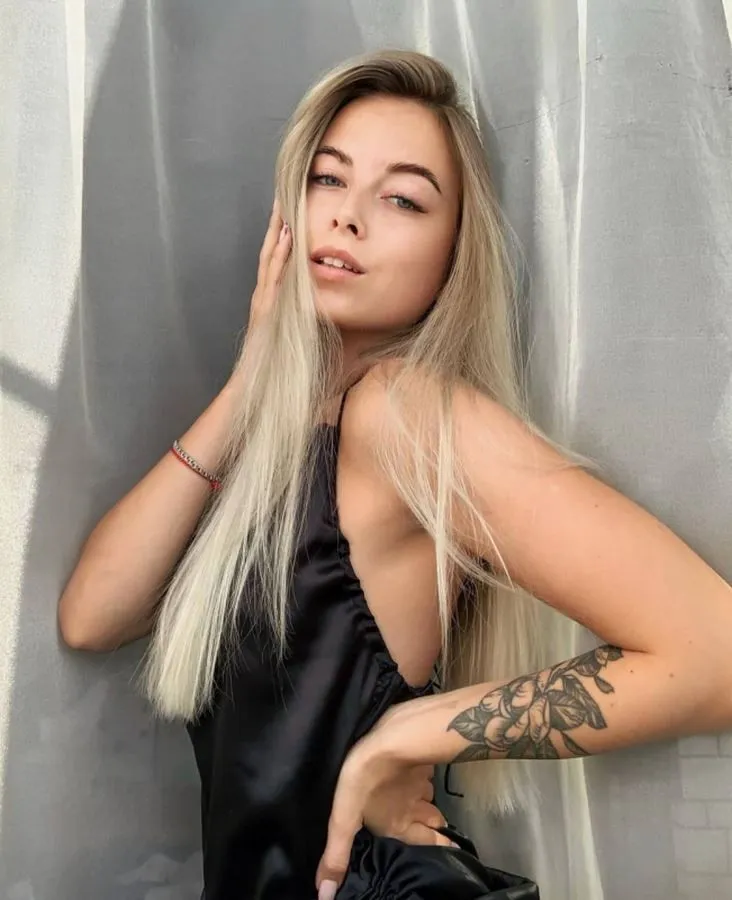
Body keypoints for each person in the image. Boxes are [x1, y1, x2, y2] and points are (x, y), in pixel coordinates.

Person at [58, 49, 732, 900]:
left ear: (454, 254)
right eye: (328, 179)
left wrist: (413, 732)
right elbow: (92, 616)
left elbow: (714, 653)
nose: (347, 218)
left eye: (403, 199)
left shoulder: (405, 412)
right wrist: (250, 384)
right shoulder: (286, 435)